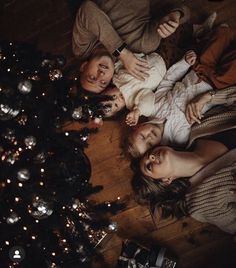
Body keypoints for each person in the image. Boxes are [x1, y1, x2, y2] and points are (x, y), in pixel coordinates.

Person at [131, 90, 236, 234]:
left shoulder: (200, 126)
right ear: (165, 180)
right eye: (149, 166)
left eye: (149, 154)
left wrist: (209, 97)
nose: (152, 157)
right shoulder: (202, 203)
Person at [126, 26, 236, 156]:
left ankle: (225, 34)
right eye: (150, 144)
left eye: (143, 137)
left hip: (197, 71)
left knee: (220, 35)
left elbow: (168, 81)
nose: (149, 137)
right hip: (216, 86)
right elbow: (202, 125)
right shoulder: (177, 138)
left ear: (138, 127)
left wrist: (184, 63)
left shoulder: (153, 108)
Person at [73, 0, 190, 93]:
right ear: (112, 78)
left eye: (92, 78)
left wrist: (122, 53)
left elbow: (87, 9)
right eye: (103, 82)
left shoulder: (83, 49)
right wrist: (175, 16)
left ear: (84, 67)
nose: (101, 74)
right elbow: (184, 10)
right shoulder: (142, 45)